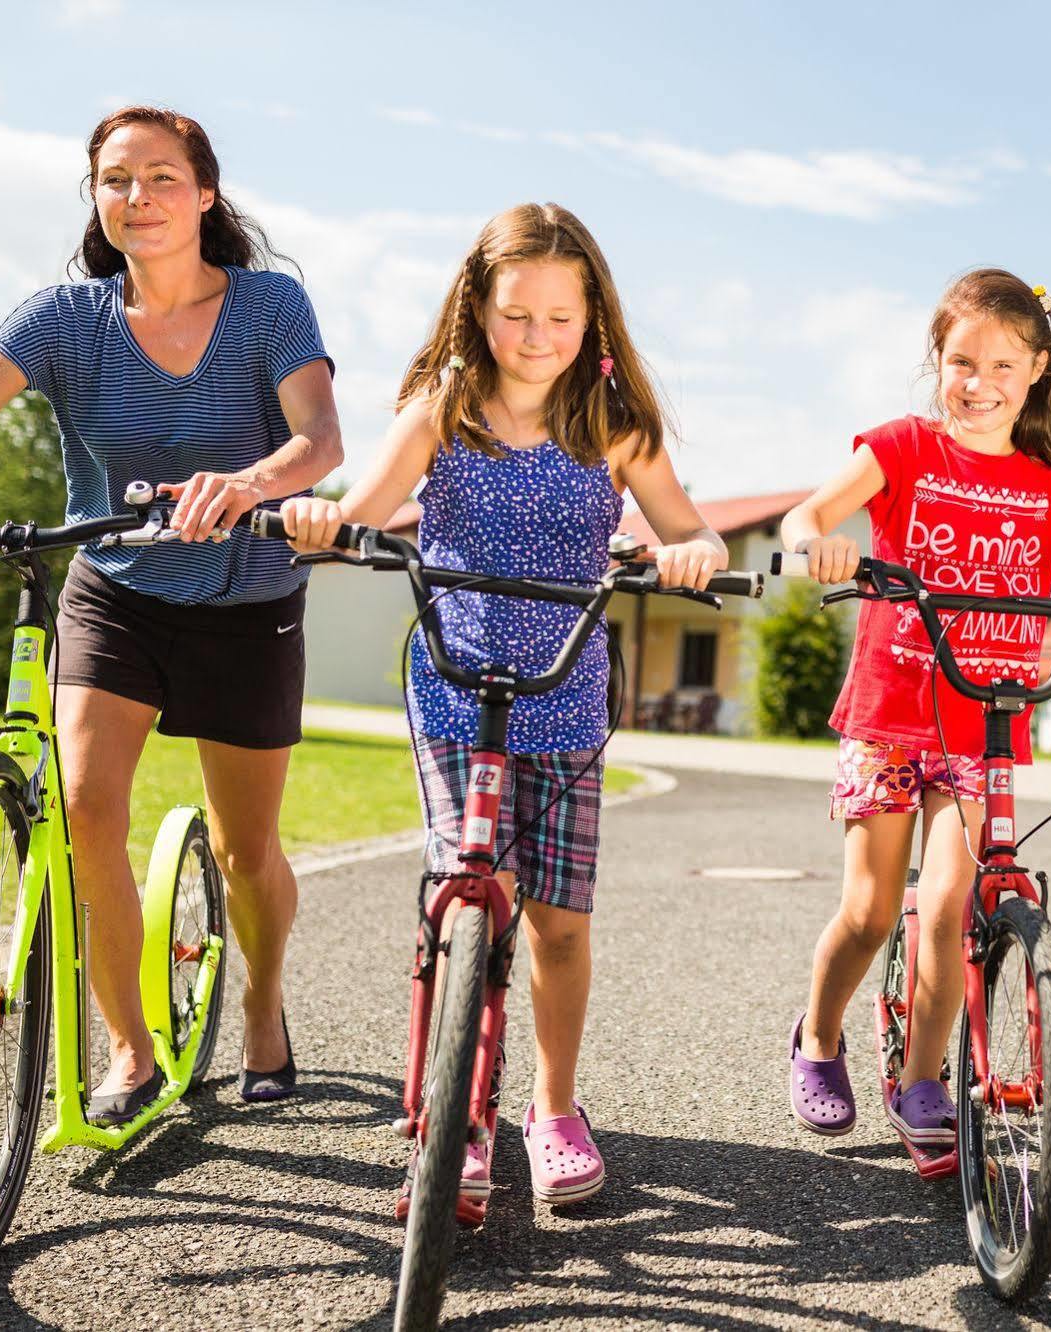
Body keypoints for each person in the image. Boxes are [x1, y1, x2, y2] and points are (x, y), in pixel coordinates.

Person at [0, 106, 342, 1122]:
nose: (139, 198)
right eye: (117, 180)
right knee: (84, 805)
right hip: (114, 583)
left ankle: (262, 1007)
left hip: (243, 595)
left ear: (205, 195)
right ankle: (129, 1048)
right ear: (96, 198)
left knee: (243, 850)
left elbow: (319, 440)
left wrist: (250, 483)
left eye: (162, 178)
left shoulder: (268, 307)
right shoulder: (64, 318)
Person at [278, 202, 726, 1206]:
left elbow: (691, 533)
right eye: (516, 314)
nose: (536, 338)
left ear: (593, 321)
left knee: (559, 923)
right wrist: (322, 520)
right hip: (454, 684)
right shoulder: (444, 406)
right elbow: (358, 512)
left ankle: (552, 1107)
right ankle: (456, 1116)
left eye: (560, 319)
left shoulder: (616, 426)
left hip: (565, 694)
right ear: (477, 309)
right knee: (468, 892)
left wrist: (691, 552)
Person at [780, 268, 1051, 1146]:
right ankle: (817, 1037)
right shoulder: (902, 448)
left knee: (948, 905)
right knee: (869, 911)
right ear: (935, 363)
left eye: (1002, 367)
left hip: (984, 718)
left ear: (1037, 372)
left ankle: (922, 1080)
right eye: (960, 363)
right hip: (889, 715)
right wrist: (814, 544)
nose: (978, 385)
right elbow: (808, 513)